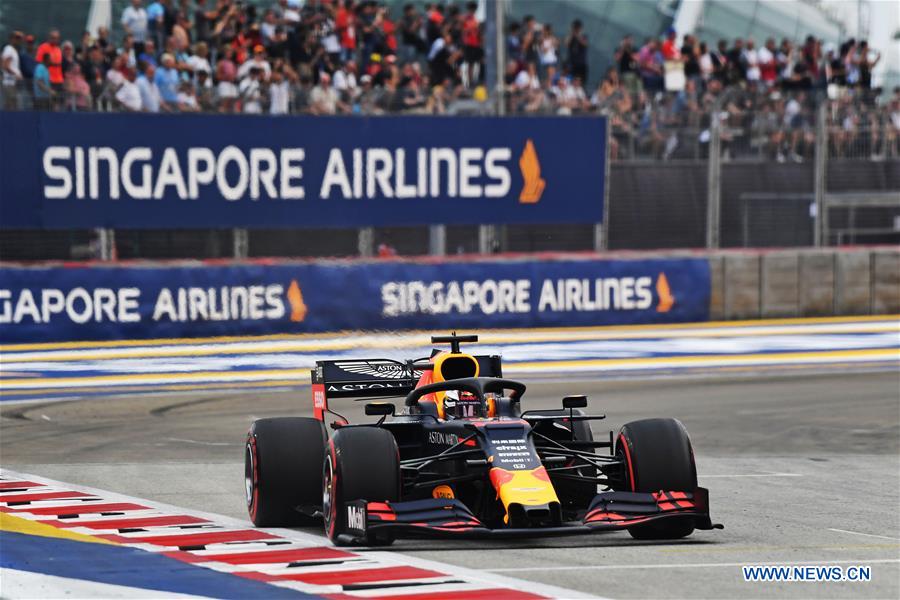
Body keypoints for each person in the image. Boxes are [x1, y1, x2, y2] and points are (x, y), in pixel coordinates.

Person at [2, 31, 23, 110]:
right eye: (16, 38)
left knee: (12, 104)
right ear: (11, 39)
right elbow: (5, 66)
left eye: (19, 38)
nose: (18, 40)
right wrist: (16, 74)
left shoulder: (13, 50)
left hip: (13, 83)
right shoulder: (9, 49)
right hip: (9, 83)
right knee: (11, 106)